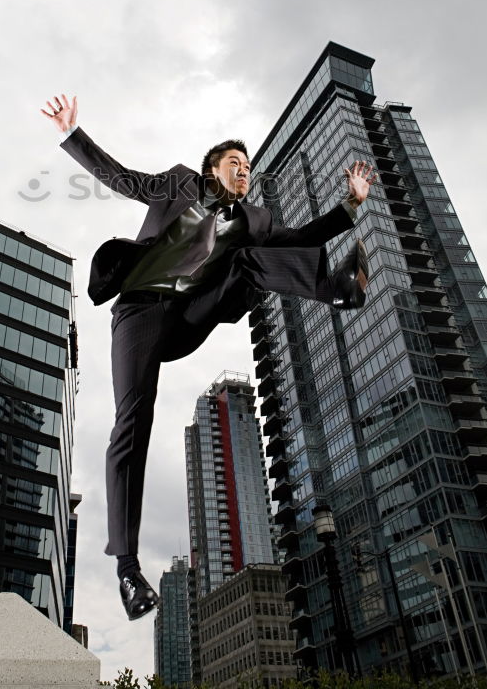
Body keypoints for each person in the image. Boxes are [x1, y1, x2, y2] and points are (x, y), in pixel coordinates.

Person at [41, 93, 376, 620]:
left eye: (248, 169)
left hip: (191, 314)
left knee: (247, 260)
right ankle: (128, 569)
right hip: (140, 315)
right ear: (211, 169)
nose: (244, 173)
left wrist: (352, 204)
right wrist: (71, 135)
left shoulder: (254, 219)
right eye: (234, 165)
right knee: (132, 422)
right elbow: (123, 178)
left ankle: (336, 291)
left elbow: (302, 235)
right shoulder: (178, 183)